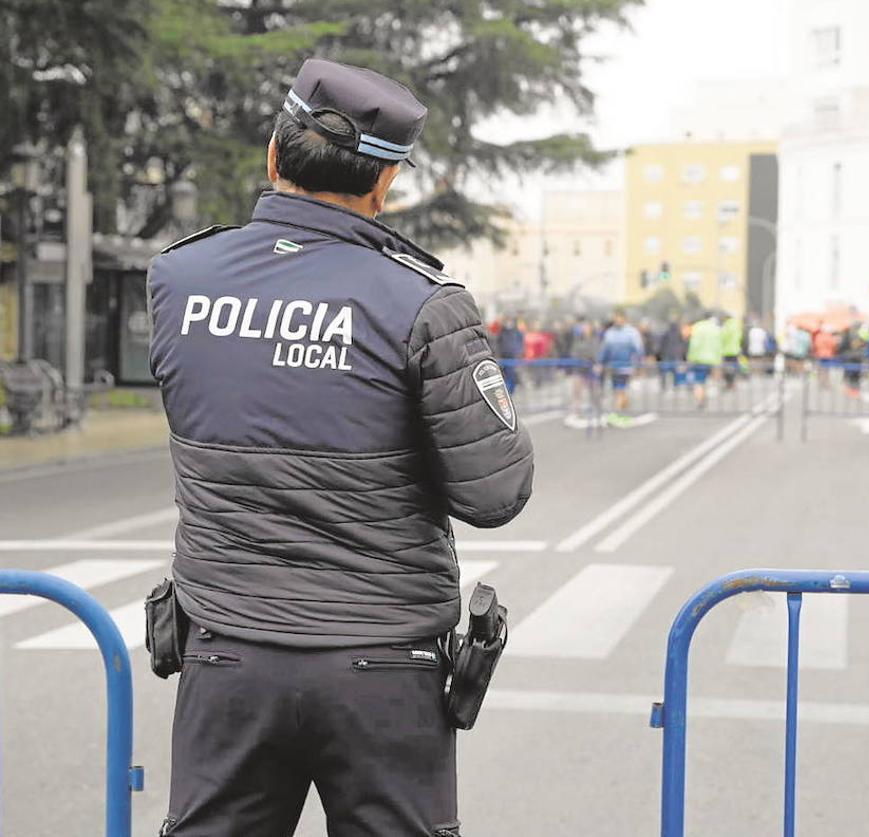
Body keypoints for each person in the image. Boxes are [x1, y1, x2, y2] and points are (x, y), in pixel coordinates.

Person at [145, 58, 534, 836]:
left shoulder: (178, 278)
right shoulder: (423, 302)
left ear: (273, 153)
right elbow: (495, 493)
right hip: (382, 668)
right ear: (384, 186)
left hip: (227, 654)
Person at [598, 308, 644, 422]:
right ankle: (622, 411)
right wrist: (600, 363)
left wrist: (638, 365)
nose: (616, 320)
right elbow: (605, 350)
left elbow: (638, 350)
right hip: (613, 366)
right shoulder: (610, 333)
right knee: (618, 390)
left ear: (624, 318)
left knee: (620, 389)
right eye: (615, 318)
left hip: (626, 366)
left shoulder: (632, 332)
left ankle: (617, 413)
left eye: (619, 318)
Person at [687, 311, 723, 408]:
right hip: (713, 359)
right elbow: (719, 345)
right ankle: (704, 397)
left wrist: (690, 357)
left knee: (699, 381)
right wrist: (719, 358)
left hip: (699, 358)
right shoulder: (716, 328)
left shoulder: (697, 327)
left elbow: (694, 344)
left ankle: (700, 399)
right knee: (709, 380)